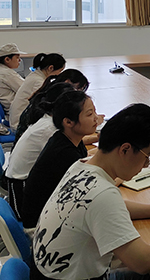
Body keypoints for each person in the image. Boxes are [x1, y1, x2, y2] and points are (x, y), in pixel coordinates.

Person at [32, 103, 150, 280]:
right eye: (147, 155)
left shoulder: (81, 166)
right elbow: (142, 261)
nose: (146, 164)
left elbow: (114, 207)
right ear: (125, 149)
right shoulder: (102, 194)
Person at [21, 90, 97, 228]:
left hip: (51, 215)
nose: (96, 118)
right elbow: (92, 186)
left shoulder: (67, 138)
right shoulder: (64, 153)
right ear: (68, 122)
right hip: (40, 226)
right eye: (90, 114)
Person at [5, 82, 75, 221]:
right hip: (22, 193)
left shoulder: (47, 120)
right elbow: (71, 156)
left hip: (22, 184)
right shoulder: (50, 128)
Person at [15, 69, 91, 143]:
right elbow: (67, 141)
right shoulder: (53, 104)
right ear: (67, 82)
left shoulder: (48, 94)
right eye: (79, 89)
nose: (79, 95)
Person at [10, 52, 65, 130]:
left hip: (19, 118)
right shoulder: (39, 81)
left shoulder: (35, 75)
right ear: (50, 68)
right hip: (20, 123)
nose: (60, 74)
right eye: (60, 71)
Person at [0, 43, 25, 114]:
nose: (19, 60)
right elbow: (27, 89)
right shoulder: (6, 73)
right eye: (17, 57)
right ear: (7, 59)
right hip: (18, 112)